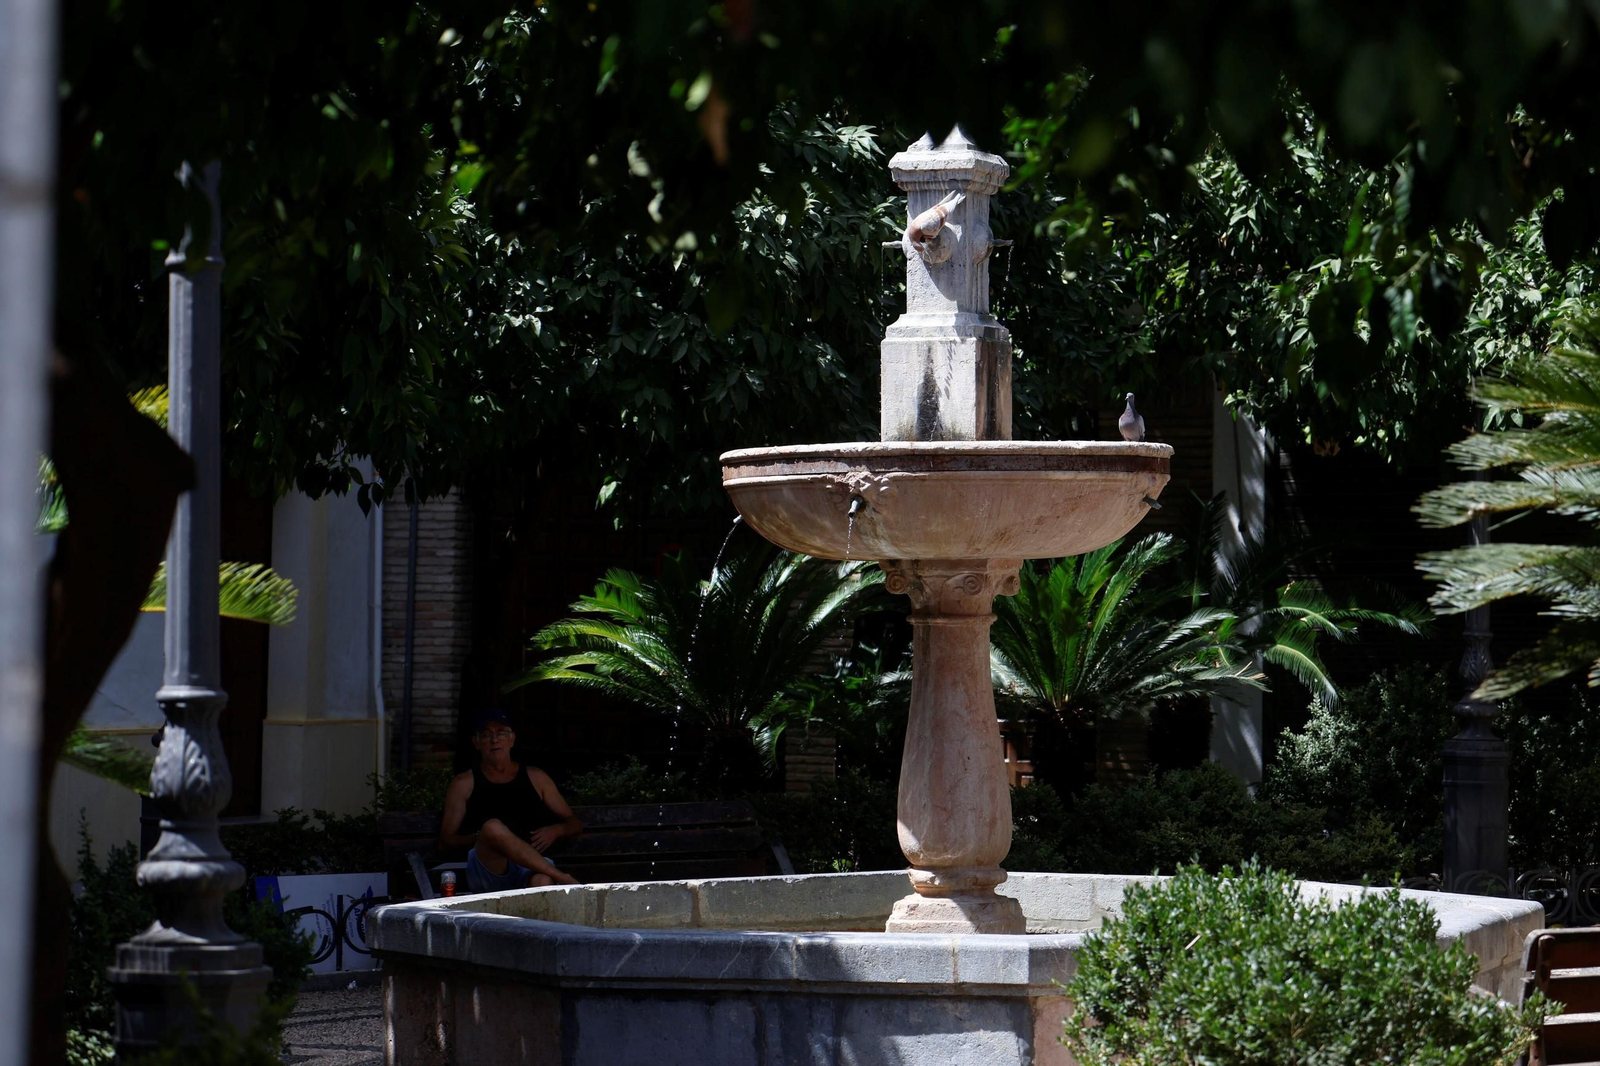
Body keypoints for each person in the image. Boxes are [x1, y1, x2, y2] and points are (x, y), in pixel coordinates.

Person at [438, 709, 584, 892]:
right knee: (492, 827)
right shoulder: (464, 783)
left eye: (501, 733)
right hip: (489, 868)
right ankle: (563, 878)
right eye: (486, 735)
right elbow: (446, 841)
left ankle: (544, 900)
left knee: (542, 881)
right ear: (476, 742)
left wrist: (556, 830)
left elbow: (575, 823)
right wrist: (482, 837)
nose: (494, 740)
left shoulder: (536, 777)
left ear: (512, 739)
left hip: (531, 867)